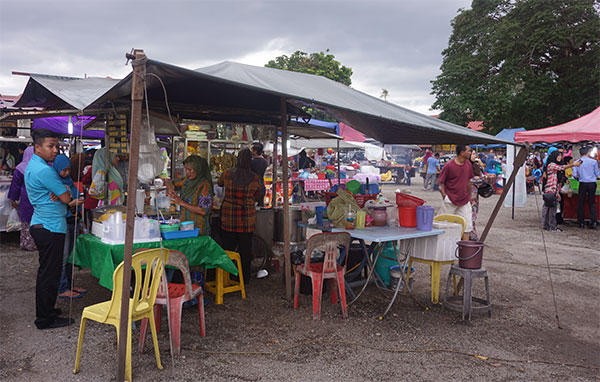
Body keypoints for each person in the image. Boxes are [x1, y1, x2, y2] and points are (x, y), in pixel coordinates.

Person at [25, 129, 82, 329]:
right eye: (51, 146)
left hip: (44, 224)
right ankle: (44, 318)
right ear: (37, 147)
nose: (55, 150)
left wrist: (60, 192)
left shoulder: (36, 165)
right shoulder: (44, 170)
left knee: (49, 272)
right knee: (49, 274)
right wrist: (64, 192)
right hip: (49, 227)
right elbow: (68, 198)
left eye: (57, 146)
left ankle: (47, 310)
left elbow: (63, 195)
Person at [218, 148, 261, 281]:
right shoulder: (254, 178)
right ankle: (244, 278)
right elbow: (257, 196)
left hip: (229, 217)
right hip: (246, 218)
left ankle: (228, 276)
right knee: (245, 251)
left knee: (228, 248)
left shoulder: (227, 173)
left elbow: (219, 183)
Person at [53, 154, 87, 299]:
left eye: (68, 170)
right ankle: (62, 288)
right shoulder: (55, 183)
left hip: (74, 221)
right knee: (63, 256)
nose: (67, 173)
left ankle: (69, 284)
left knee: (71, 257)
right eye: (64, 170)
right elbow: (59, 203)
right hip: (64, 222)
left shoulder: (69, 182)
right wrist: (71, 204)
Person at [165, 155, 213, 236]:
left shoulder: (205, 186)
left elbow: (203, 210)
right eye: (186, 169)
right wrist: (170, 189)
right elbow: (169, 181)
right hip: (185, 228)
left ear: (198, 170)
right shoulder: (187, 181)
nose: (187, 172)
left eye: (190, 170)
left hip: (198, 230)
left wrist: (182, 203)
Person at [438, 145, 474, 241]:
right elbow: (440, 182)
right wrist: (444, 196)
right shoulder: (449, 165)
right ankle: (442, 246)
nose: (470, 153)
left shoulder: (468, 164)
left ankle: (464, 251)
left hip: (464, 199)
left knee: (467, 226)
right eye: (468, 151)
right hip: (450, 199)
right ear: (462, 153)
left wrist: (470, 197)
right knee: (443, 225)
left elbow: (468, 181)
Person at [541, 150, 581, 232]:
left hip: (551, 190)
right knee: (552, 209)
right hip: (550, 190)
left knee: (548, 208)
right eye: (558, 156)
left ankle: (546, 225)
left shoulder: (552, 165)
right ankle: (552, 227)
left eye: (560, 156)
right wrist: (573, 165)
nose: (559, 157)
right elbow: (561, 167)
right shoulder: (551, 165)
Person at [8, 146, 37, 250]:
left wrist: (13, 199)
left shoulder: (20, 168)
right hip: (39, 196)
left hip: (25, 196)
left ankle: (27, 243)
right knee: (38, 219)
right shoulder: (41, 167)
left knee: (26, 220)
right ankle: (38, 243)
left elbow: (15, 185)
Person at [572, 147, 599, 229]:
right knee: (591, 202)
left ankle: (581, 222)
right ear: (588, 153)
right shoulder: (594, 161)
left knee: (581, 203)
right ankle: (593, 222)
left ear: (580, 154)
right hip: (592, 183)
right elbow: (597, 173)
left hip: (582, 183)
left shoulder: (576, 162)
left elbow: (574, 175)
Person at [469, 150, 485, 241]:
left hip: (474, 196)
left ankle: (472, 234)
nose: (474, 156)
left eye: (475, 154)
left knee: (473, 215)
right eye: (472, 154)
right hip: (466, 195)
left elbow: (481, 179)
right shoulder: (465, 166)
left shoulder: (476, 165)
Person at [250, 142, 268, 207]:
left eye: (251, 149)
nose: (250, 151)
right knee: (260, 207)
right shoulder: (265, 161)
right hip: (261, 186)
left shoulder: (252, 162)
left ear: (255, 151)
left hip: (253, 187)